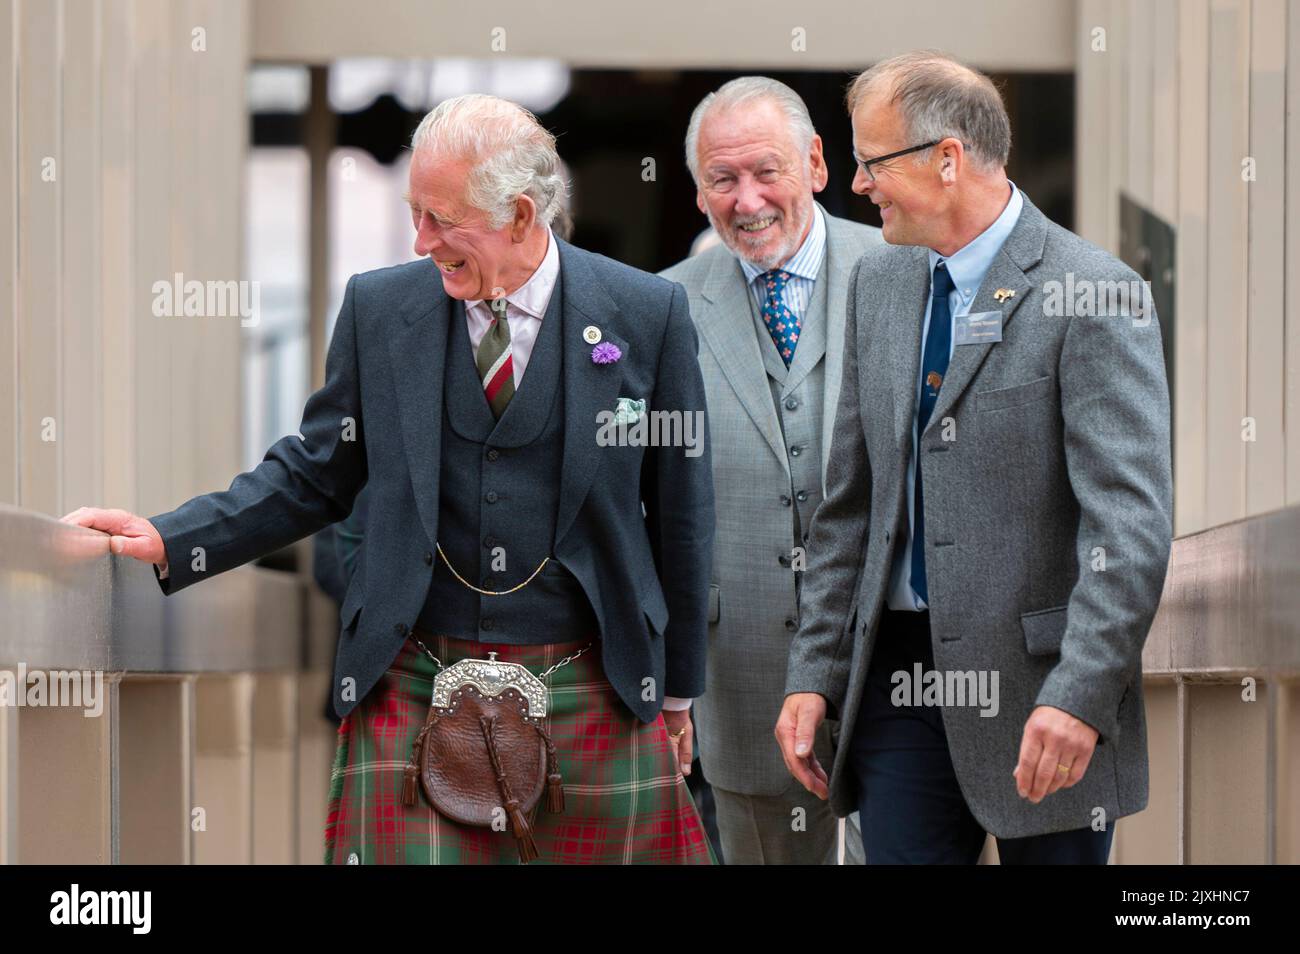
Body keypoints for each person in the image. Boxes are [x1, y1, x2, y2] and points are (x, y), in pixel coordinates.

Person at [63, 93, 715, 866]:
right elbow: (317, 472)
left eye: (442, 219)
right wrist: (173, 536)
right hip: (416, 668)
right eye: (415, 213)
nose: (421, 240)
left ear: (518, 213)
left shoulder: (646, 312)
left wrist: (676, 690)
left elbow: (681, 512)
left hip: (593, 677)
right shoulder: (381, 309)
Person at [775, 51, 1173, 864]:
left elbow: (1128, 527)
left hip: (1044, 700)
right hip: (894, 694)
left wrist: (1081, 694)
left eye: (870, 162)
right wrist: (813, 673)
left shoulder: (1093, 293)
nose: (857, 186)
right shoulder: (881, 286)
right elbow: (850, 507)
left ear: (947, 159)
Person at [661, 76, 882, 865]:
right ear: (698, 193)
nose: (746, 200)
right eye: (722, 180)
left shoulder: (905, 270)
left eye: (766, 172)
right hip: (740, 667)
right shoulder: (662, 308)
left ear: (817, 164)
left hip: (890, 663)